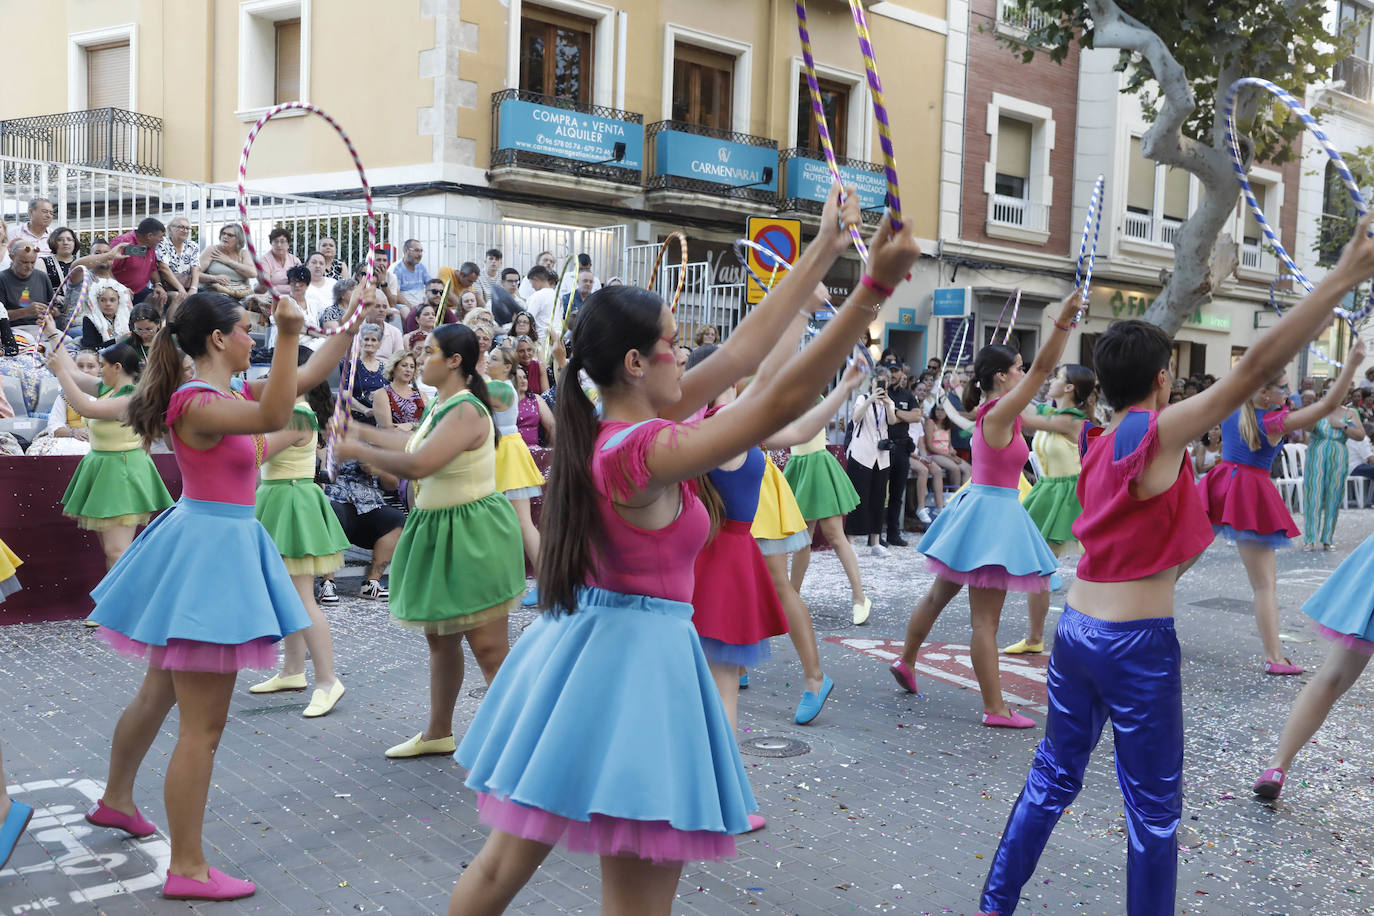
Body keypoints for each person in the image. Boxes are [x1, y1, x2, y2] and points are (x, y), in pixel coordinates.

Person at [449, 186, 913, 916]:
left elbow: (744, 351)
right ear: (636, 361)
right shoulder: (643, 448)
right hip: (635, 672)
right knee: (604, 895)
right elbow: (771, 403)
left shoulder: (623, 423)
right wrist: (872, 292)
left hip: (593, 656)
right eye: (672, 339)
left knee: (502, 868)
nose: (685, 350)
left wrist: (824, 247)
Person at [974, 215, 1374, 916]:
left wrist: (1066, 327)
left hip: (1076, 633)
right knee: (1153, 813)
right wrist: (1341, 277)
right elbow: (1251, 370)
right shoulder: (1153, 434)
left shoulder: (1097, 438)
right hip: (1134, 647)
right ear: (1163, 381)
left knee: (1051, 781)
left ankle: (993, 905)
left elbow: (1046, 376)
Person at [81, 290, 350, 901]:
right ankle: (188, 868)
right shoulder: (196, 402)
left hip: (201, 546)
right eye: (247, 330)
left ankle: (117, 800)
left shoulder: (224, 392)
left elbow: (305, 375)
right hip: (211, 556)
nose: (254, 337)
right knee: (202, 729)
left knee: (156, 696)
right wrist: (287, 332)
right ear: (218, 340)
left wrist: (351, 320)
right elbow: (277, 414)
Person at [335, 323, 525, 759]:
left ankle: (523, 743)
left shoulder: (466, 410)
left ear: (456, 361)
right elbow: (406, 440)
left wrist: (357, 448)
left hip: (472, 534)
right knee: (441, 639)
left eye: (432, 351)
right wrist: (358, 431)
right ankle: (439, 731)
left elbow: (418, 463)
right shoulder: (443, 405)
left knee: (489, 648)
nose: (422, 356)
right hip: (443, 529)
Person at [892, 292, 1082, 729]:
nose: (1025, 372)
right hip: (991, 516)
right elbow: (1041, 373)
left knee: (939, 595)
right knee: (985, 621)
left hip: (978, 510)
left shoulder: (999, 412)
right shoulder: (1000, 410)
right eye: (1017, 366)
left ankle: (906, 661)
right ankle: (995, 708)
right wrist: (1063, 324)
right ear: (1002, 375)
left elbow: (1051, 416)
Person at [1200, 350, 1363, 673]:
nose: (1288, 394)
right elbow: (1328, 406)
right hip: (1249, 492)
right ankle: (1274, 658)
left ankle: (1134, 619)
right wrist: (1353, 366)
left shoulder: (1232, 401)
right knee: (1264, 585)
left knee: (1174, 563)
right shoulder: (1274, 420)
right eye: (1283, 388)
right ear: (1264, 393)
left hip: (1218, 483)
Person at [247, 348, 350, 718]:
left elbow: (255, 452)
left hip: (292, 503)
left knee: (304, 598)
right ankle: (293, 670)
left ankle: (328, 679)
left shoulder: (298, 414)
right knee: (289, 595)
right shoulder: (290, 412)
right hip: (279, 499)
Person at [42, 334, 173, 571]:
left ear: (118, 367)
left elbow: (86, 408)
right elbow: (75, 374)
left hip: (122, 472)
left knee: (117, 551)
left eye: (102, 366)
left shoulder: (130, 397)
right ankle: (113, 604)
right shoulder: (107, 389)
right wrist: (54, 334)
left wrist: (59, 372)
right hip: (105, 469)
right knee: (111, 551)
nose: (99, 371)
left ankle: (127, 605)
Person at [1002, 364, 1095, 656]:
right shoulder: (1054, 413)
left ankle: (1093, 634)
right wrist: (1007, 383)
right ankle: (1034, 638)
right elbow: (1028, 406)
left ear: (1069, 388)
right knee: (1039, 569)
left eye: (1057, 377)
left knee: (1093, 568)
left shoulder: (1071, 420)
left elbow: (1023, 417)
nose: (1052, 380)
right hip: (1049, 491)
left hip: (1072, 497)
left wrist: (1002, 395)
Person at [782, 364, 870, 624]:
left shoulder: (812, 399)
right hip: (799, 467)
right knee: (802, 541)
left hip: (817, 467)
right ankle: (791, 600)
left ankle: (859, 597)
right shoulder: (789, 398)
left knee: (834, 535)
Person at [486, 344, 545, 582]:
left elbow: (466, 391)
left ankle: (547, 583)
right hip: (504, 449)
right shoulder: (501, 385)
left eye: (493, 359)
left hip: (506, 452)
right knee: (516, 522)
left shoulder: (497, 387)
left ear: (506, 367)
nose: (488, 362)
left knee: (522, 522)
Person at [323, 457, 406, 602]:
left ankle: (371, 584)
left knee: (396, 520)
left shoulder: (375, 445)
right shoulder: (328, 439)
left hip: (370, 504)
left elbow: (393, 484)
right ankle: (327, 583)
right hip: (336, 500)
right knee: (332, 512)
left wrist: (378, 470)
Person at [1302, 393, 1365, 550]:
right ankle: (1310, 538)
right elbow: (1307, 428)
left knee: (1334, 494)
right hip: (1317, 451)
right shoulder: (1317, 409)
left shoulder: (1349, 413)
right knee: (1313, 494)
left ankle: (1327, 538)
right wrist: (1319, 412)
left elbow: (1360, 435)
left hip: (1338, 453)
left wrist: (1344, 426)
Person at [845, 369, 895, 556]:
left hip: (881, 457)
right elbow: (856, 418)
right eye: (878, 382)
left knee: (879, 498)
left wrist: (889, 405)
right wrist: (870, 399)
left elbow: (892, 421)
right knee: (857, 498)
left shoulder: (888, 402)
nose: (881, 385)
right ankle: (850, 540)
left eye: (884, 382)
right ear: (872, 382)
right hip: (861, 454)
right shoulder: (862, 398)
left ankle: (875, 541)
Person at [884, 364, 921, 546]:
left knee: (897, 493)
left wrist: (896, 413)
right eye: (890, 372)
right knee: (879, 492)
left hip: (902, 448)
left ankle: (893, 533)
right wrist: (902, 415)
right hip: (883, 447)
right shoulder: (882, 392)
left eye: (895, 373)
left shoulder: (907, 395)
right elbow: (883, 417)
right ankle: (874, 534)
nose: (893, 376)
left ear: (901, 375)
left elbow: (916, 416)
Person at [111, 218, 182, 309]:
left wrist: (158, 285)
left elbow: (152, 269)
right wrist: (120, 288)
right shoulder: (124, 243)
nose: (162, 240)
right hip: (116, 292)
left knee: (159, 298)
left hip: (139, 291)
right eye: (160, 236)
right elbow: (106, 270)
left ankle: (159, 323)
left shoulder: (148, 246)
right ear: (149, 236)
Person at [1, 240, 56, 329]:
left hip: (42, 328)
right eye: (24, 262)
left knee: (68, 341)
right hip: (14, 329)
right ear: (11, 257)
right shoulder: (2, 279)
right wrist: (26, 311)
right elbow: (1, 316)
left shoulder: (42, 276)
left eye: (33, 262)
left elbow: (54, 308)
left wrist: (50, 312)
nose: (29, 267)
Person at [197, 224, 258, 301]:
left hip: (238, 294)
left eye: (230, 235)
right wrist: (214, 278)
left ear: (238, 239)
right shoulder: (212, 250)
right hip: (213, 293)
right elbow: (195, 274)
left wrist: (228, 261)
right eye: (223, 233)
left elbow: (253, 273)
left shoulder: (243, 253)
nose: (225, 236)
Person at [375, 349, 427, 430]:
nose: (408, 370)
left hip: (418, 441)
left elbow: (428, 424)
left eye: (412, 367)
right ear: (394, 367)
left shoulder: (421, 394)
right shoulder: (382, 393)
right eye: (404, 365)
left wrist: (411, 425)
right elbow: (387, 428)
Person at [924, 401, 972, 488]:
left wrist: (952, 453)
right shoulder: (930, 423)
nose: (940, 412)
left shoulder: (946, 425)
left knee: (968, 468)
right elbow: (930, 447)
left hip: (946, 454)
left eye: (943, 410)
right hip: (934, 454)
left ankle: (963, 495)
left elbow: (949, 445)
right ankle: (954, 495)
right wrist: (949, 455)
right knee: (955, 468)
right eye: (937, 409)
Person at [156, 217, 201, 308]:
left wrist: (193, 289)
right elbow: (164, 268)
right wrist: (181, 289)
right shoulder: (162, 243)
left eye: (187, 228)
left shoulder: (192, 246)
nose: (185, 231)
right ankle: (171, 322)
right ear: (169, 229)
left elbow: (195, 268)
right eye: (181, 227)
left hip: (187, 286)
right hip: (165, 287)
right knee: (179, 297)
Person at [78, 279, 134, 350]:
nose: (108, 304)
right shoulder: (90, 320)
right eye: (103, 300)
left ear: (119, 301)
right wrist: (117, 341)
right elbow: (90, 348)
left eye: (112, 300)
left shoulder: (127, 318)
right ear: (97, 302)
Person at [515, 363, 554, 447]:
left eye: (525, 377)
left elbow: (551, 427)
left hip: (535, 449)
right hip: (514, 449)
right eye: (519, 378)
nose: (523, 380)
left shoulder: (536, 399)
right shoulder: (506, 401)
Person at [42, 227, 80, 306]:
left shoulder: (81, 264)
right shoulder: (43, 262)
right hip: (52, 309)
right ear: (53, 242)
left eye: (69, 239)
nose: (65, 242)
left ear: (74, 242)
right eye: (60, 239)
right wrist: (53, 297)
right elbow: (39, 288)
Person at [262, 228, 301, 299]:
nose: (279, 245)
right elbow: (266, 283)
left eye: (282, 242)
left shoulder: (295, 260)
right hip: (272, 297)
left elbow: (301, 282)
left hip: (294, 297)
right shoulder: (265, 260)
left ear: (288, 244)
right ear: (271, 243)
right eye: (276, 242)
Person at [394, 239, 432, 308]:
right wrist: (412, 308)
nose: (420, 254)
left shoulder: (421, 267)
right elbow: (397, 294)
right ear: (405, 251)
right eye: (416, 250)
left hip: (423, 307)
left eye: (421, 251)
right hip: (407, 307)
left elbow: (431, 285)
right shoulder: (397, 269)